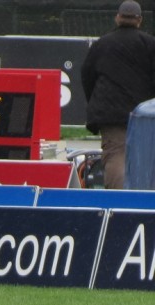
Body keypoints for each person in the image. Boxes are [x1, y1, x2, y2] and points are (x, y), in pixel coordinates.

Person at [81, 0, 155, 189]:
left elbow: (87, 77)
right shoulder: (150, 44)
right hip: (145, 114)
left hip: (111, 114)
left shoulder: (101, 44)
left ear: (117, 18)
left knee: (116, 156)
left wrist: (97, 104)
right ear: (139, 20)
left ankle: (120, 203)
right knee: (148, 158)